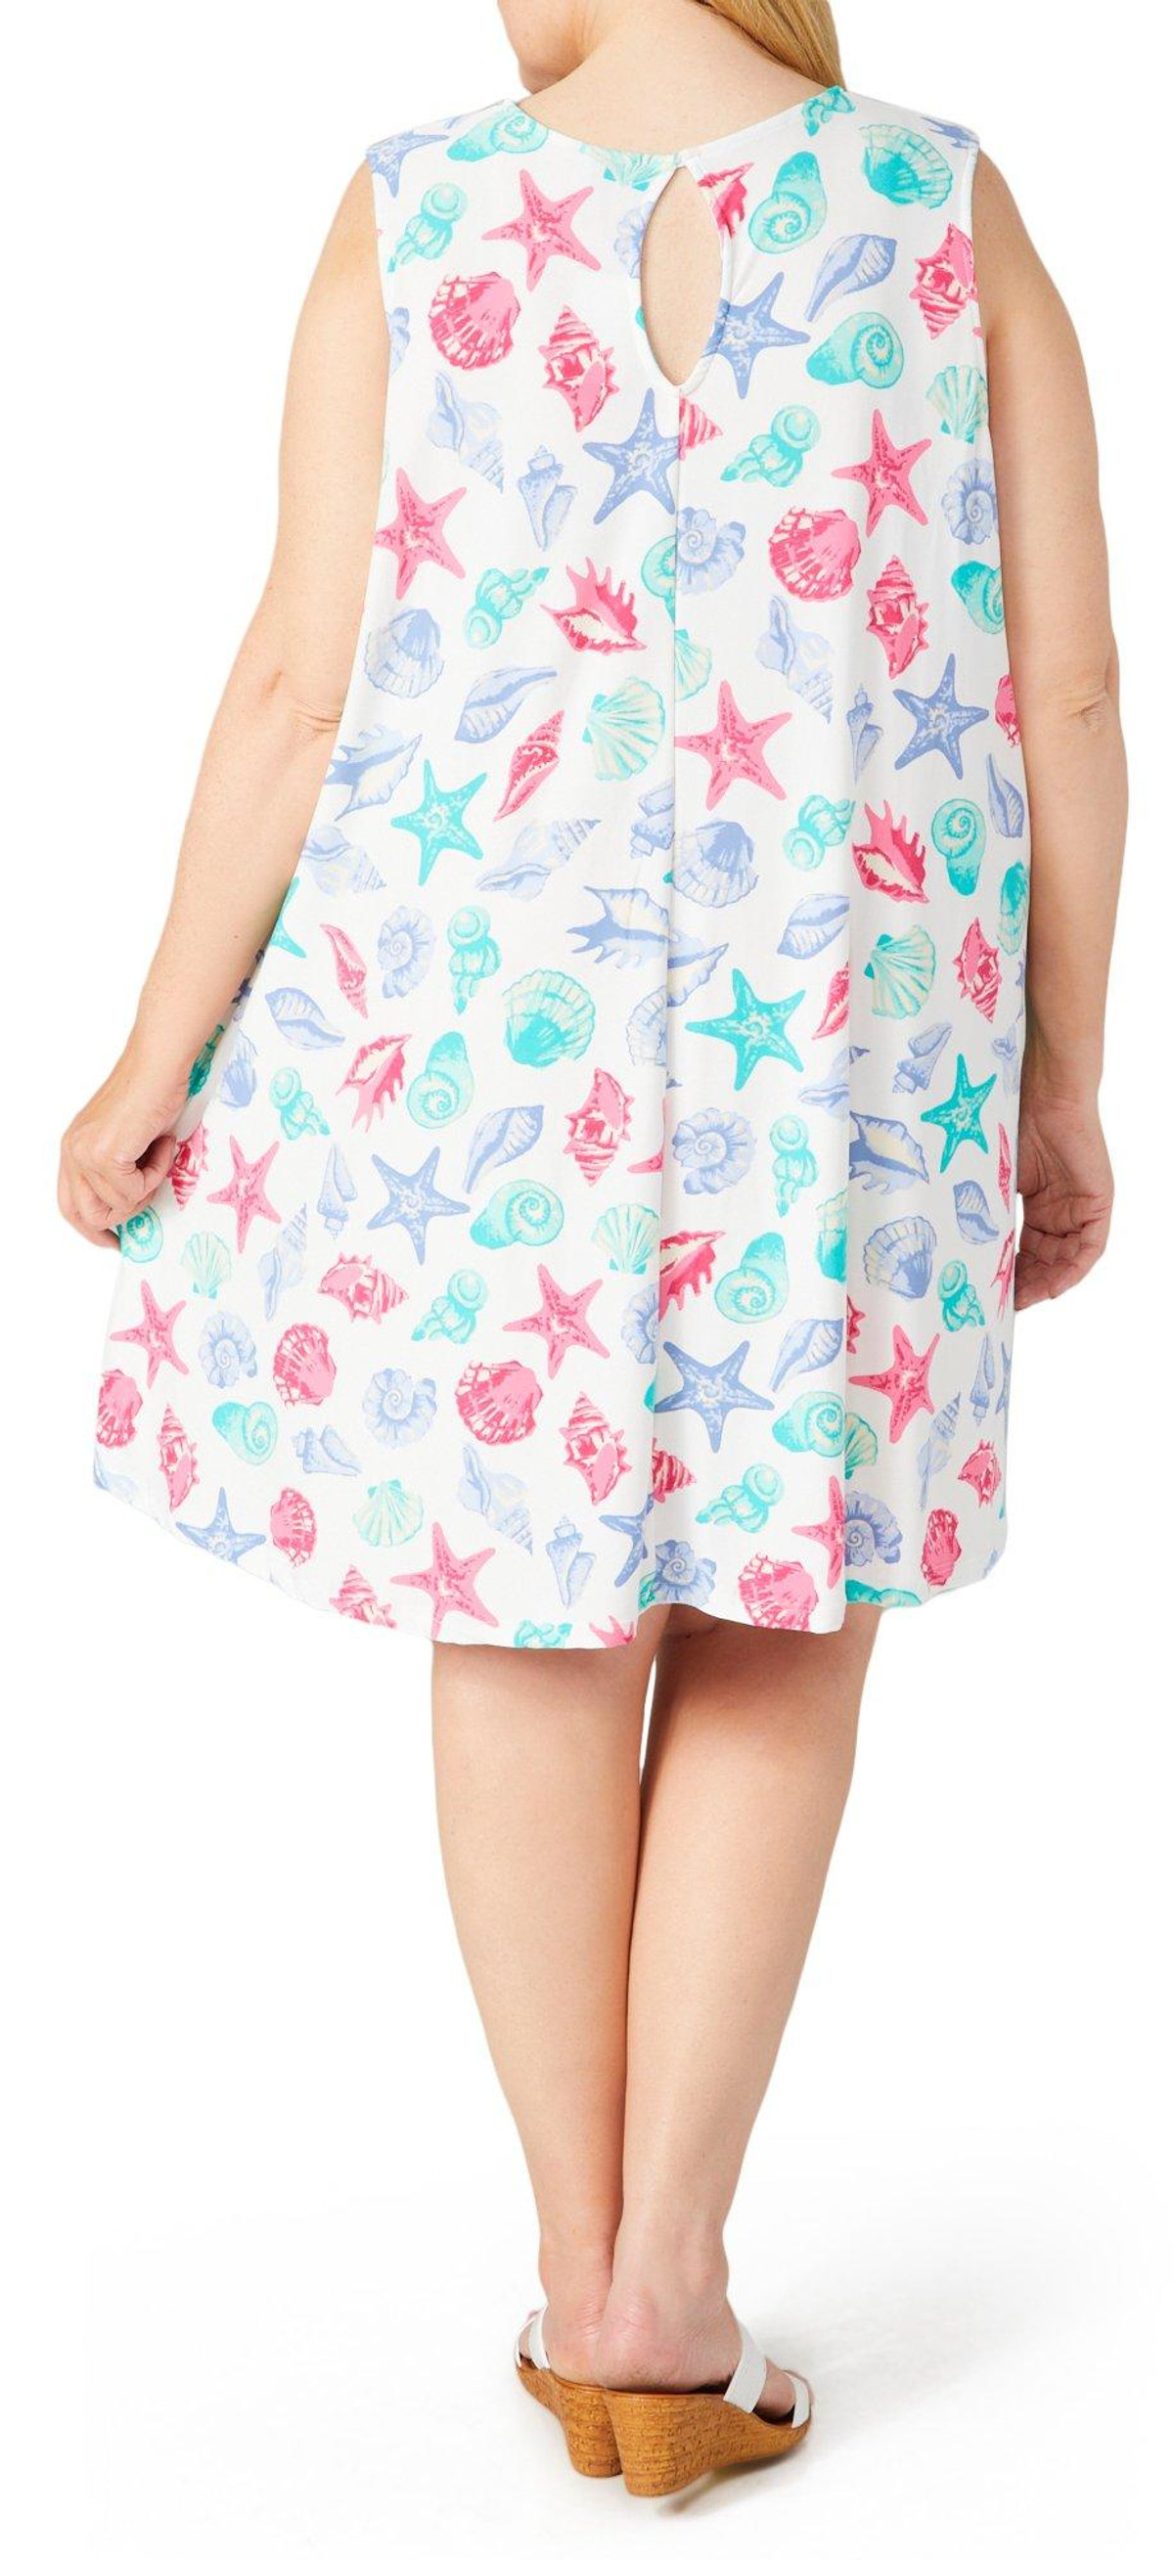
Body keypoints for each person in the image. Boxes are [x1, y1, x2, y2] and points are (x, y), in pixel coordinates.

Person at [60, 0, 1124, 2497]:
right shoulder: (935, 202)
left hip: (482, 1064)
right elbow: (1062, 692)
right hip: (836, 1046)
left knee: (522, 1616)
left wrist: (146, 1055)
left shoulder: (414, 206)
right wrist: (1060, 1075)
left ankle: (580, 2277)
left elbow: (297, 685)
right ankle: (672, 2284)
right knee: (777, 1614)